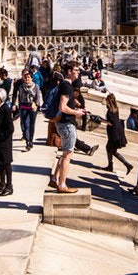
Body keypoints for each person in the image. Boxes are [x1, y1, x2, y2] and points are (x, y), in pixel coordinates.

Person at [51, 61, 85, 193]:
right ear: (69, 71)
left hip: (63, 123)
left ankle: (54, 179)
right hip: (67, 124)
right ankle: (62, 185)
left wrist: (74, 103)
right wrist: (76, 112)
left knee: (65, 152)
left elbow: (65, 103)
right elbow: (62, 107)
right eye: (76, 70)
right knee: (68, 154)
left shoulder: (66, 85)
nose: (78, 72)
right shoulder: (67, 86)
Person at [14, 68, 42, 152]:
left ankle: (31, 140)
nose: (27, 79)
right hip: (24, 107)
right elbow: (19, 97)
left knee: (31, 125)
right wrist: (16, 105)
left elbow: (37, 97)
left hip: (32, 106)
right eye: (26, 78)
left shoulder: (36, 86)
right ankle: (27, 141)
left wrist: (36, 105)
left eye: (29, 77)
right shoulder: (21, 87)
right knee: (25, 125)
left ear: (31, 78)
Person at [104, 94, 132, 174]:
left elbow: (112, 123)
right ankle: (111, 165)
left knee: (112, 150)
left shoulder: (110, 111)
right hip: (118, 132)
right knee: (111, 150)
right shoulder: (116, 109)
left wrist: (105, 121)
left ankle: (125, 164)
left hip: (114, 133)